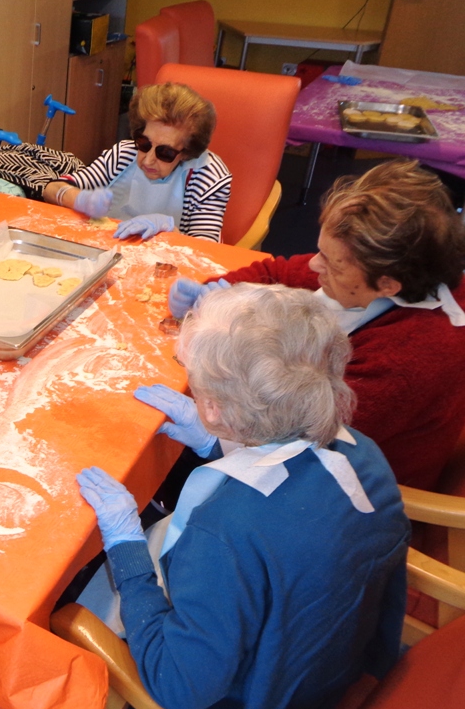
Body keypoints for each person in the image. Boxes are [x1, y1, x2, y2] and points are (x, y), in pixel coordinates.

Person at [79, 283, 410, 709]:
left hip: (261, 708)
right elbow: (288, 484)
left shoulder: (223, 533)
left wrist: (126, 547)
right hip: (337, 664)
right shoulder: (363, 451)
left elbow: (177, 685)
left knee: (72, 609)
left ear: (213, 408)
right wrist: (218, 444)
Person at [169, 159, 465, 490]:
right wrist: (219, 291)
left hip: (342, 487)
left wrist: (213, 444)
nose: (313, 263)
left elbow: (306, 444)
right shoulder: (368, 265)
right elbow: (276, 273)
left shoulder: (413, 357)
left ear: (388, 285)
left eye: (331, 264)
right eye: (320, 250)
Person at [42, 82, 231, 242]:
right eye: (144, 143)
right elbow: (52, 189)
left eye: (165, 152)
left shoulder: (209, 176)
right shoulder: (124, 154)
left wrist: (168, 228)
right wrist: (80, 199)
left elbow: (206, 250)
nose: (148, 159)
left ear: (187, 152)